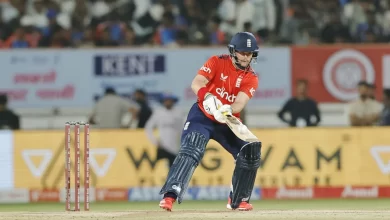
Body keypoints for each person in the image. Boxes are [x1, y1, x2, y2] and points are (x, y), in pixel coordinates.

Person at [159, 32, 261, 211]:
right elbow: (196, 82)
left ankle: (238, 200)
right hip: (202, 116)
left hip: (226, 120)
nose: (246, 57)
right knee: (192, 148)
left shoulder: (251, 77)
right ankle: (170, 196)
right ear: (233, 51)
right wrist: (207, 97)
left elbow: (240, 103)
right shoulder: (216, 61)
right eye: (242, 52)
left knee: (250, 150)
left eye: (249, 53)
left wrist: (228, 109)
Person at [145, 93, 183, 168]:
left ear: (173, 101)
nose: (168, 102)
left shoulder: (179, 113)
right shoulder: (158, 113)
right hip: (163, 145)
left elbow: (183, 127)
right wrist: (155, 141)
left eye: (170, 100)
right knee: (163, 167)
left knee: (175, 167)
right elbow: (148, 127)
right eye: (166, 100)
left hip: (176, 145)